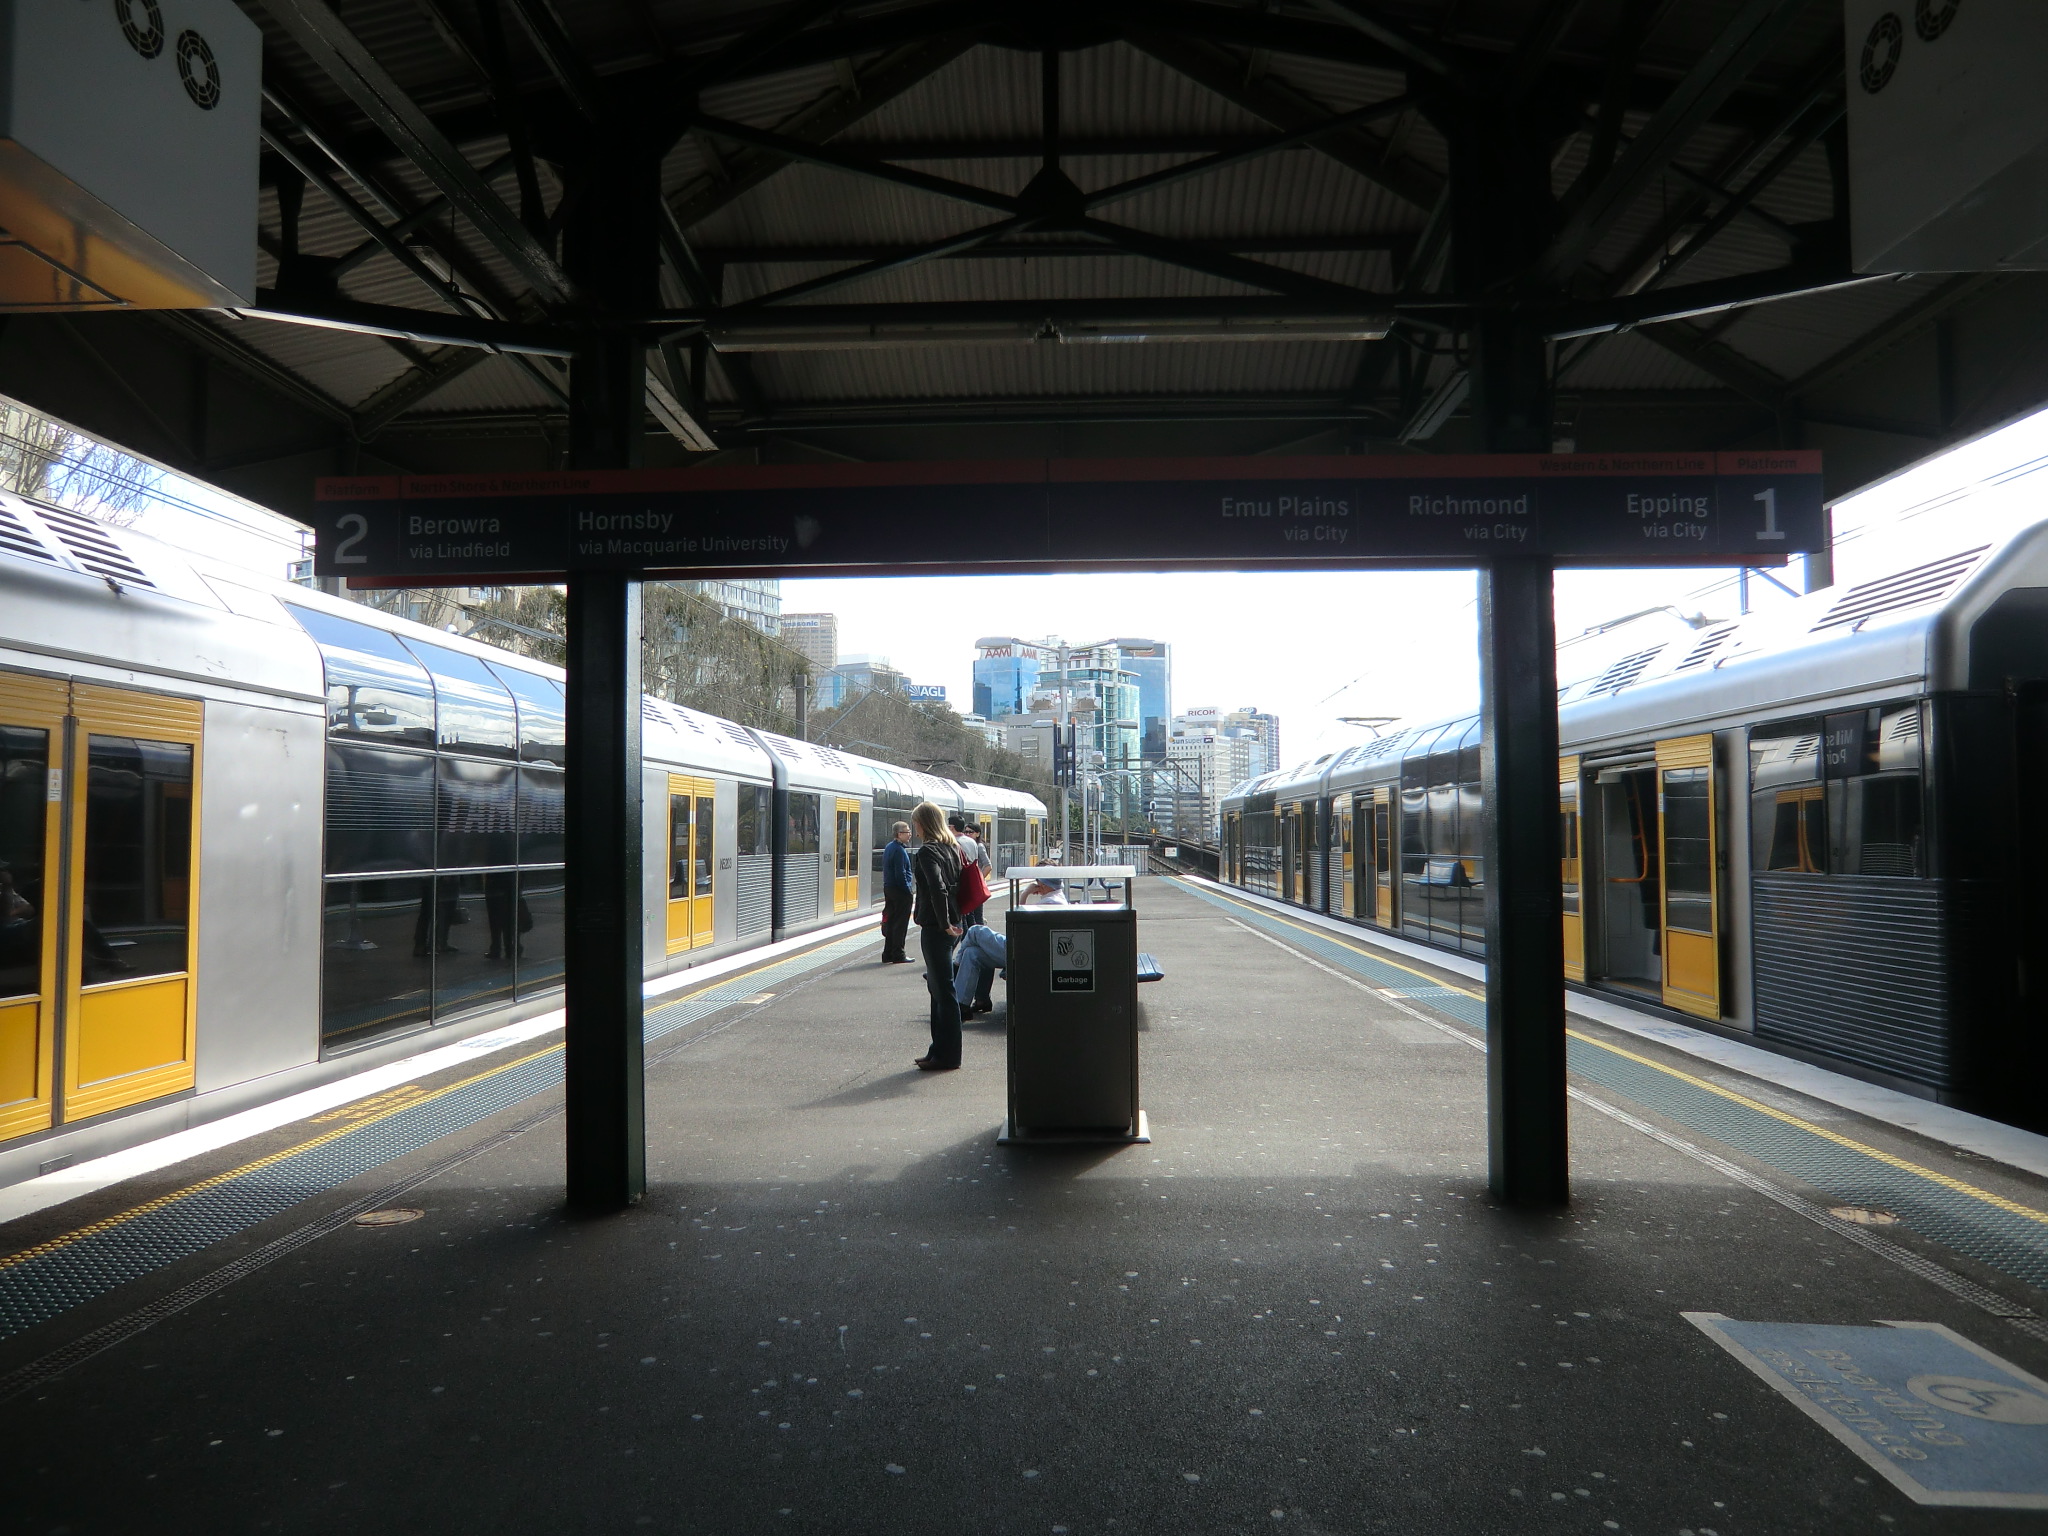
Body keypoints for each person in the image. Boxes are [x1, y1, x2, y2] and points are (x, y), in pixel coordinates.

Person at [953, 877, 1065, 1017]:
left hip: (1020, 949)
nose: (1037, 884)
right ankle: (963, 1004)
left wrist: (1025, 894)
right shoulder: (1056, 899)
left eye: (1039, 881)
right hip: (1027, 947)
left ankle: (955, 966)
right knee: (972, 953)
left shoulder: (1050, 903)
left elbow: (1020, 923)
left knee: (975, 931)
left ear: (1045, 884)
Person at [910, 801, 964, 1071]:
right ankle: (937, 1051)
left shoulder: (928, 851)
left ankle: (948, 1056)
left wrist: (943, 924)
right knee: (937, 989)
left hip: (937, 927)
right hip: (954, 923)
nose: (915, 829)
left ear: (923, 823)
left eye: (916, 823)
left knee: (944, 991)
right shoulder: (952, 848)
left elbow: (937, 888)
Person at [879, 821, 914, 963]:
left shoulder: (889, 847)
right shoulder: (899, 850)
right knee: (900, 924)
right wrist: (908, 890)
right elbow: (901, 873)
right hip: (900, 891)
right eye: (907, 832)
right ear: (899, 834)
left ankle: (887, 953)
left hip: (889, 889)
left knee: (892, 922)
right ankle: (898, 954)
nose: (910, 834)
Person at [950, 817, 991, 931]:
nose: (968, 834)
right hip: (972, 882)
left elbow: (988, 865)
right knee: (973, 915)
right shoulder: (972, 843)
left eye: (970, 832)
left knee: (968, 916)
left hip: (966, 882)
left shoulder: (957, 842)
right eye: (966, 831)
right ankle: (977, 937)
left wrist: (979, 880)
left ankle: (972, 937)